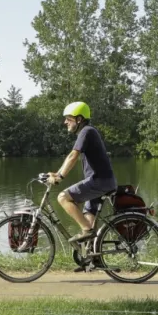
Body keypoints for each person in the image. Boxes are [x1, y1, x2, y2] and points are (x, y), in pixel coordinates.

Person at [48, 102, 118, 243]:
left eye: (69, 118)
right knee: (88, 217)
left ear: (79, 119)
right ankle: (92, 260)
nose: (65, 122)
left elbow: (73, 156)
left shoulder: (87, 131)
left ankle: (87, 230)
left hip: (100, 181)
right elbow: (70, 156)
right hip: (102, 181)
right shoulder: (87, 132)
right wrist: (57, 173)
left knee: (63, 198)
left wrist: (60, 177)